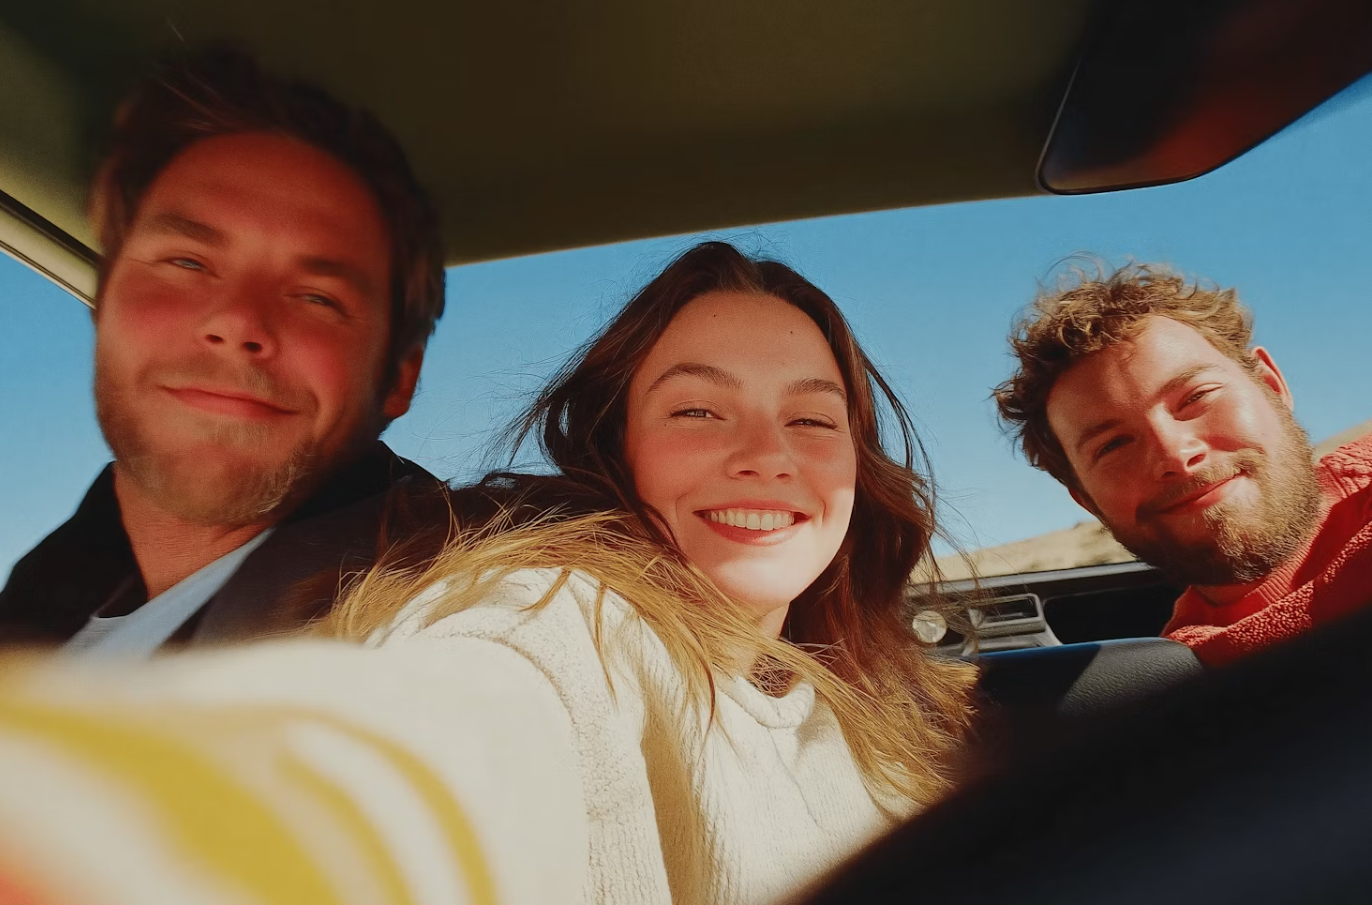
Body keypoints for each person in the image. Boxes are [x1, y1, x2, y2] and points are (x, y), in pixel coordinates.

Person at [0, 242, 977, 905]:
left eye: (812, 419)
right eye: (696, 411)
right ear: (616, 449)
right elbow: (439, 743)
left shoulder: (874, 695)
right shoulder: (562, 617)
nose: (767, 455)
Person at [0, 48, 448, 652]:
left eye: (317, 297)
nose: (238, 321)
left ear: (399, 374)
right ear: (103, 305)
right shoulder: (43, 602)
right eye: (186, 262)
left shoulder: (455, 620)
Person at [994, 262, 1372, 666]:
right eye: (1114, 445)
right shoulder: (1182, 695)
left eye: (1195, 398)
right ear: (1087, 500)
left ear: (1272, 387)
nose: (1174, 454)